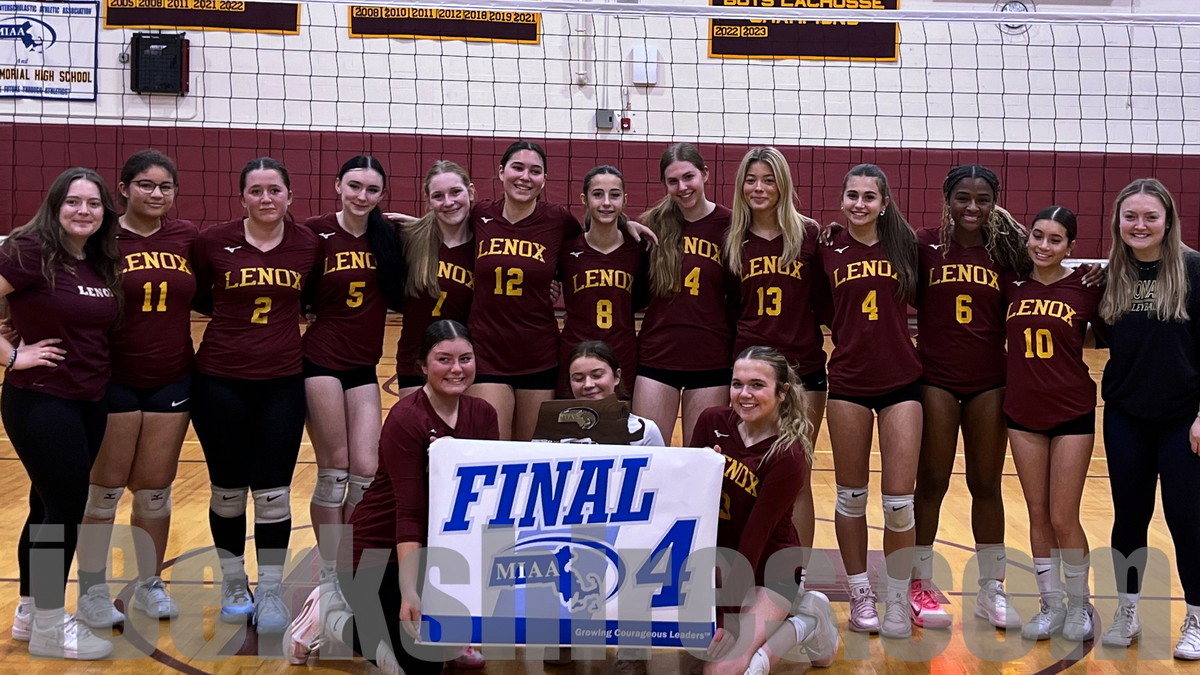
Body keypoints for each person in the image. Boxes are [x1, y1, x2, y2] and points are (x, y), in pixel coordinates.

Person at [283, 319, 499, 674]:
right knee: (419, 668)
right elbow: (408, 513)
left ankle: (443, 638)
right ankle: (330, 616)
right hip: (375, 552)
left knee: (438, 646)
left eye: (465, 358)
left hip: (435, 549)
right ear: (423, 365)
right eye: (444, 359)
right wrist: (410, 592)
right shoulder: (406, 418)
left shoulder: (483, 415)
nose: (456, 369)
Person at [190, 157, 319, 634]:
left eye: (275, 190)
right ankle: (232, 583)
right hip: (219, 381)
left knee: (273, 495)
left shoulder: (308, 243)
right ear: (242, 197)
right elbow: (198, 295)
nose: (266, 198)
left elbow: (314, 294)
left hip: (282, 383)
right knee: (226, 491)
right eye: (256, 191)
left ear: (290, 196)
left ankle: (269, 589)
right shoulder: (212, 241)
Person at [0, 167, 122, 660]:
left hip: (88, 400)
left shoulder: (97, 261)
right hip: (41, 398)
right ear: (55, 205)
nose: (83, 211)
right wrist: (12, 356)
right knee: (65, 511)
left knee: (45, 506)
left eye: (93, 203)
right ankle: (51, 627)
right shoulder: (30, 251)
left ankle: (31, 613)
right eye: (73, 201)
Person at [74, 151, 197, 628]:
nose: (156, 194)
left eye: (166, 186)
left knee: (154, 493)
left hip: (172, 377)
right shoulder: (100, 237)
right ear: (123, 188)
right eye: (146, 184)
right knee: (103, 493)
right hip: (112, 377)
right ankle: (92, 591)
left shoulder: (187, 237)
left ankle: (149, 584)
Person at [909, 165, 1028, 631]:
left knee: (986, 484)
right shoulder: (924, 245)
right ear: (948, 199)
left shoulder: (1007, 252)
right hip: (935, 378)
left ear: (994, 202)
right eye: (963, 197)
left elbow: (1048, 269)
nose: (972, 207)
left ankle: (991, 589)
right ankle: (919, 582)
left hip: (989, 381)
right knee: (932, 481)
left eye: (982, 199)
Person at [814, 164, 921, 639]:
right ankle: (860, 594)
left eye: (869, 197)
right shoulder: (826, 247)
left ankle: (895, 597)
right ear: (842, 199)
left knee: (899, 504)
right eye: (852, 195)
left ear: (884, 203)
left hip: (902, 382)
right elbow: (819, 306)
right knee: (851, 496)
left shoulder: (907, 247)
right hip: (849, 382)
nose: (860, 204)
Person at [1095, 179, 1200, 659]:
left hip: (1183, 418)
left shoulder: (1193, 269)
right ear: (1118, 221)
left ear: (1168, 220)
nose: (1140, 225)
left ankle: (1195, 616)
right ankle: (1128, 610)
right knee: (1129, 517)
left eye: (1150, 217)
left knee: (1187, 519)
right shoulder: (1110, 276)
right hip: (1126, 415)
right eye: (1131, 216)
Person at [691, 346, 838, 674]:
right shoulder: (711, 422)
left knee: (723, 670)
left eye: (757, 385)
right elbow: (689, 501)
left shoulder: (788, 455)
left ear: (782, 392)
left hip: (770, 569)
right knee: (697, 654)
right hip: (716, 564)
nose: (744, 394)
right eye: (737, 384)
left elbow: (754, 540)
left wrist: (728, 620)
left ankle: (806, 622)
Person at [302, 155, 404, 597]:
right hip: (320, 361)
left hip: (363, 364)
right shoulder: (315, 231)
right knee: (335, 469)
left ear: (382, 194)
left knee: (366, 469)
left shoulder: (388, 236)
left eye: (372, 189)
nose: (362, 196)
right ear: (337, 185)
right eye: (355, 186)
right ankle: (330, 571)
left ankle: (352, 561)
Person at [724, 146, 825, 590]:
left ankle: (794, 579)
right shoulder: (733, 240)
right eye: (751, 179)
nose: (759, 188)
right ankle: (747, 570)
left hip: (802, 370)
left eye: (768, 179)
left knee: (798, 477)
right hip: (752, 372)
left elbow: (825, 300)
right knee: (745, 476)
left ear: (783, 184)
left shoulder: (810, 235)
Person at [1003, 206, 1101, 642]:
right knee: (1038, 513)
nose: (1043, 246)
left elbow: (1113, 334)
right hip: (1022, 412)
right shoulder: (1011, 284)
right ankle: (1050, 605)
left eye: (1055, 239)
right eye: (1037, 236)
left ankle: (1080, 605)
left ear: (1071, 247)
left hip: (1071, 410)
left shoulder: (1087, 286)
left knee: (1064, 516)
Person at [466, 141, 578, 441]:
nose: (525, 177)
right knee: (494, 450)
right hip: (487, 352)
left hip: (538, 353)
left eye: (535, 171)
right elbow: (446, 230)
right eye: (518, 168)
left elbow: (592, 247)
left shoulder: (559, 220)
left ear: (544, 179)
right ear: (501, 172)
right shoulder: (480, 214)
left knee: (530, 453)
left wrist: (626, 227)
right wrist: (414, 228)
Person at [634, 143, 736, 446]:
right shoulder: (652, 224)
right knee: (647, 454)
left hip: (711, 358)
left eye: (688, 177)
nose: (682, 187)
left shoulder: (731, 225)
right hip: (657, 355)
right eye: (673, 181)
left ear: (705, 174)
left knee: (701, 458)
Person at [557, 167, 646, 398]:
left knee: (619, 420)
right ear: (584, 199)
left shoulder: (639, 248)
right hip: (575, 356)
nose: (606, 202)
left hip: (622, 355)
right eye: (597, 194)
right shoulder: (566, 248)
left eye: (614, 195)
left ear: (625, 200)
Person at [397, 160, 476, 399]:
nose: (448, 202)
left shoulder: (486, 245)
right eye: (438, 196)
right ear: (428, 200)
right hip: (416, 361)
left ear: (471, 192)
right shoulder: (407, 238)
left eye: (455, 192)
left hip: (465, 365)